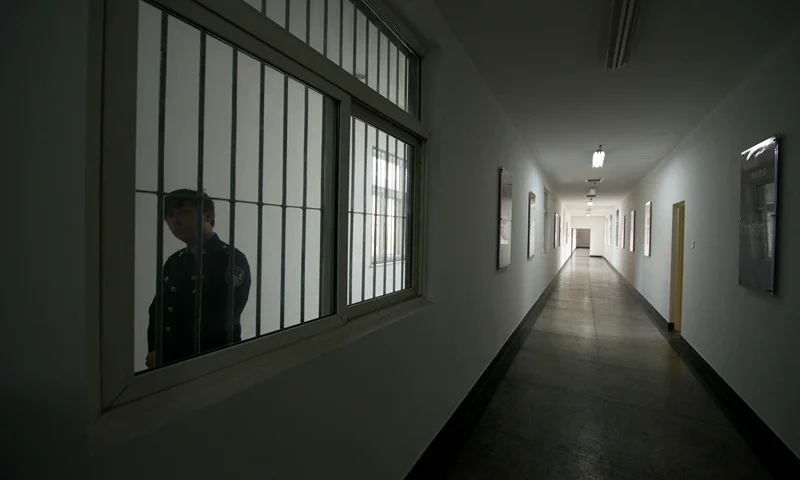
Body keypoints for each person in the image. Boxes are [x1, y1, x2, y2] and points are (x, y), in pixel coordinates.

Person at [146, 189, 251, 369]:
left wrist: (169, 356)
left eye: (184, 212)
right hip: (170, 367)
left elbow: (221, 318)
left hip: (213, 365)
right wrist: (156, 352)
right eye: (169, 215)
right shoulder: (174, 261)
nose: (175, 219)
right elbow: (158, 312)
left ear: (208, 216)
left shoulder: (229, 258)